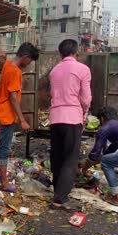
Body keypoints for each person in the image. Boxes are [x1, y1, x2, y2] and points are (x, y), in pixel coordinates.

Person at [0, 42, 40, 192]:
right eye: (30, 61)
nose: (29, 65)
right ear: (25, 57)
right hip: (7, 114)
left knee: (3, 144)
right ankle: (4, 183)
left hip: (2, 111)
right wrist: (22, 120)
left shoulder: (8, 65)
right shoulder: (15, 71)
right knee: (5, 148)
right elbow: (13, 97)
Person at [49, 39, 92, 210]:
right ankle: (61, 198)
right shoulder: (83, 69)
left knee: (57, 156)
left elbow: (53, 93)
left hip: (55, 118)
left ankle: (57, 192)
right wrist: (85, 111)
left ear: (60, 54)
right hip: (72, 117)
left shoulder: (54, 71)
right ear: (77, 52)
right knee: (70, 159)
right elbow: (86, 98)